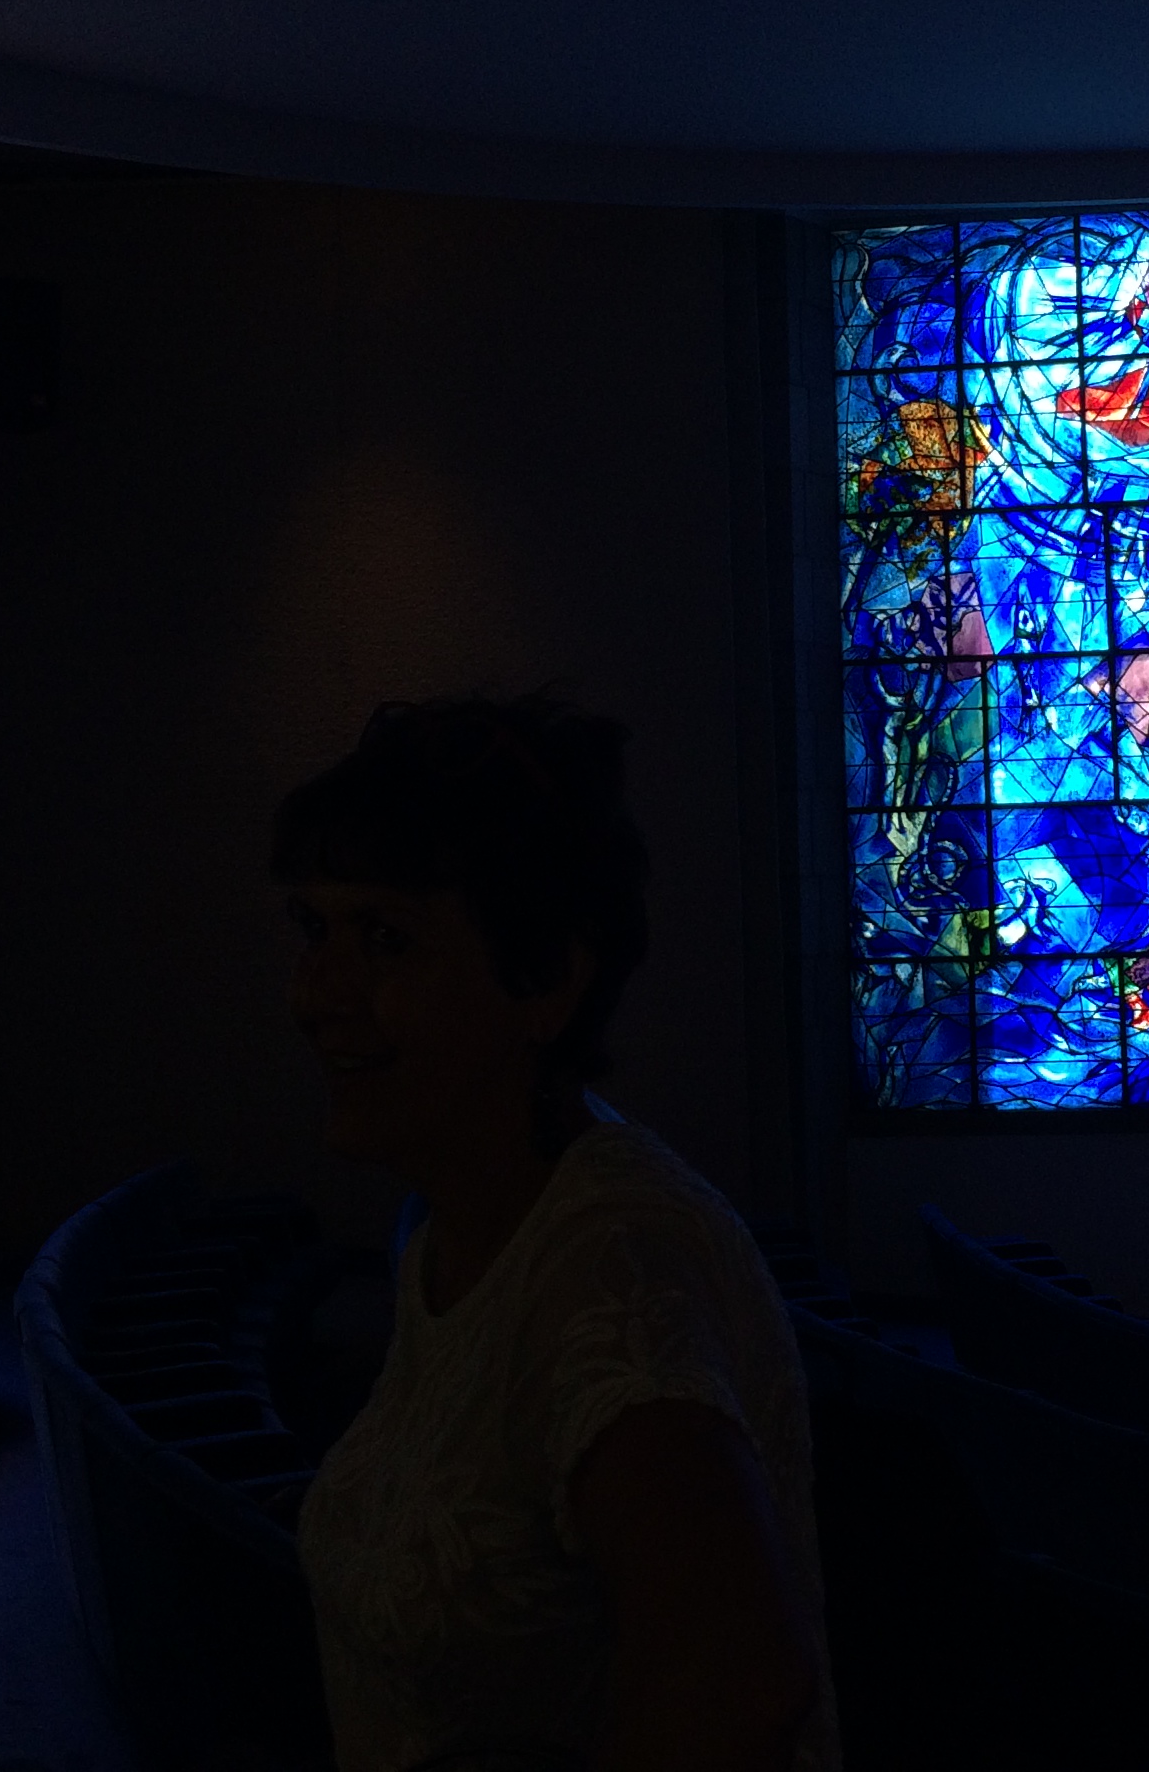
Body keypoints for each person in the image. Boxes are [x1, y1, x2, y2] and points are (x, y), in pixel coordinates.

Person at [281, 696, 831, 1772]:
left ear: (545, 980)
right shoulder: (461, 1223)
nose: (317, 995)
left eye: (385, 940)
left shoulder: (611, 1265)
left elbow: (738, 1686)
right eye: (315, 932)